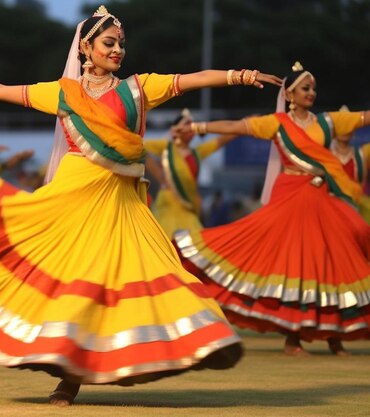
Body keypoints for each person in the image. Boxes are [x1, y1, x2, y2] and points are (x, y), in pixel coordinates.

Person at [0, 5, 280, 406]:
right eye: (109, 42)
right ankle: (65, 378)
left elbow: (192, 81)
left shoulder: (138, 88)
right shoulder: (64, 93)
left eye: (121, 43)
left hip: (120, 205)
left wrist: (239, 76)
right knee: (69, 287)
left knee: (133, 280)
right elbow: (2, 90)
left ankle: (175, 348)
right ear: (85, 48)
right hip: (70, 201)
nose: (118, 49)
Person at [174, 62, 370, 358]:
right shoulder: (277, 124)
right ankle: (293, 339)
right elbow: (236, 127)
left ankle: (334, 338)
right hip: (290, 201)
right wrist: (199, 127)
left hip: (322, 201)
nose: (311, 93)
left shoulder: (328, 122)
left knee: (333, 264)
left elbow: (363, 118)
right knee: (296, 266)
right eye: (305, 88)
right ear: (289, 94)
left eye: (313, 89)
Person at [144, 108, 238, 235]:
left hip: (189, 207)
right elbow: (141, 147)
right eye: (186, 125)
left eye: (192, 125)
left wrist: (242, 127)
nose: (191, 129)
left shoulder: (197, 153)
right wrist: (158, 174)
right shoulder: (168, 148)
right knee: (168, 242)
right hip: (169, 206)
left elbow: (220, 141)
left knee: (195, 245)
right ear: (176, 129)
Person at [330, 105, 370, 224]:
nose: (345, 129)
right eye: (341, 125)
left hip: (354, 209)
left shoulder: (361, 154)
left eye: (348, 125)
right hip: (329, 210)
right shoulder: (325, 154)